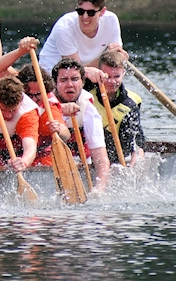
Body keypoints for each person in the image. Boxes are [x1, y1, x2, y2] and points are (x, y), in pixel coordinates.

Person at [38, 0, 126, 82]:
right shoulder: (64, 28)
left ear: (102, 12)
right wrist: (106, 57)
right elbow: (74, 72)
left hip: (84, 73)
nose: (84, 17)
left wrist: (120, 57)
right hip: (53, 78)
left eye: (91, 13)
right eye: (80, 11)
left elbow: (114, 61)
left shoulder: (111, 20)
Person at [52, 58, 111, 190]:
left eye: (74, 79)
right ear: (55, 83)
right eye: (63, 80)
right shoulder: (44, 103)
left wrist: (99, 189)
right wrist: (59, 109)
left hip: (78, 165)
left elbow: (101, 159)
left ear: (83, 82)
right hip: (47, 168)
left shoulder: (89, 110)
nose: (70, 85)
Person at [86, 50, 146, 165]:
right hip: (91, 156)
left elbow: (137, 139)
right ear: (99, 73)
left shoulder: (131, 102)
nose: (112, 81)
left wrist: (137, 159)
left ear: (123, 73)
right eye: (107, 76)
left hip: (118, 158)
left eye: (117, 76)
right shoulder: (87, 96)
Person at [15, 64, 70, 166]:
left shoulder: (50, 107)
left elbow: (66, 133)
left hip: (42, 162)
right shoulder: (13, 99)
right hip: (15, 157)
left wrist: (58, 129)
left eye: (38, 94)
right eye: (29, 95)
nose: (34, 99)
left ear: (46, 91)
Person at [0, 77, 39, 172]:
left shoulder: (28, 114)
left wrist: (24, 161)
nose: (8, 115)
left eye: (13, 110)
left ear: (21, 100)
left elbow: (30, 146)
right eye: (2, 109)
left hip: (12, 161)